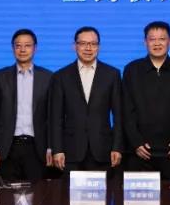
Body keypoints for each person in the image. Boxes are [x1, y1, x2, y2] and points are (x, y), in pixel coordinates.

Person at [122, 21, 170, 180]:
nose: (157, 43)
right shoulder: (132, 70)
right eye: (152, 39)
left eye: (162, 39)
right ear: (145, 42)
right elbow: (126, 111)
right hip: (140, 152)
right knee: (138, 196)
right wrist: (136, 142)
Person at [49, 26, 123, 172]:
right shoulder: (60, 76)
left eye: (93, 44)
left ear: (99, 47)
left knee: (104, 187)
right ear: (74, 46)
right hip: (71, 151)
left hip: (103, 150)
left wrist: (117, 147)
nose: (88, 48)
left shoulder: (112, 75)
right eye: (83, 43)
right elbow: (55, 117)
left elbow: (119, 115)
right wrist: (57, 149)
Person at [0, 29, 53, 182]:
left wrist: (51, 147)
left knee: (38, 193)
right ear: (13, 48)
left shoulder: (48, 77)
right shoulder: (0, 76)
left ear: (35, 48)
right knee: (6, 194)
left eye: (27, 45)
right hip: (7, 148)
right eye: (18, 45)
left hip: (37, 148)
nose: (22, 50)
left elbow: (52, 117)